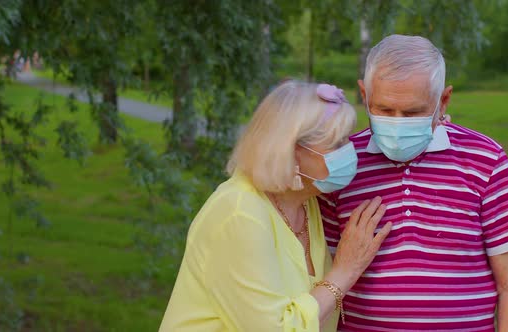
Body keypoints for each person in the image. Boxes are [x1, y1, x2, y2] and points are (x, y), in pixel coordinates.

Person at [319, 34, 508, 332]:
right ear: (364, 95)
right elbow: (318, 278)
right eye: (383, 110)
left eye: (413, 112)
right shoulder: (342, 166)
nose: (397, 123)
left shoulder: (486, 160)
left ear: (442, 101)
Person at [159, 81, 392, 331]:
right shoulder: (239, 213)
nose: (349, 152)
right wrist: (345, 271)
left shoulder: (306, 201)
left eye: (347, 139)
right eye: (336, 144)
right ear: (290, 151)